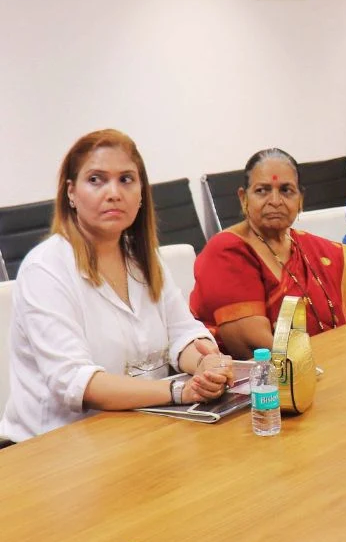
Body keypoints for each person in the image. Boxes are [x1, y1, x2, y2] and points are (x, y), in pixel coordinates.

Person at [0, 130, 231, 442]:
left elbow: (183, 333)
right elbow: (78, 383)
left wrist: (206, 365)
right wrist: (178, 390)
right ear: (71, 192)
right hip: (55, 449)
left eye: (126, 179)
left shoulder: (143, 257)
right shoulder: (46, 268)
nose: (114, 192)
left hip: (141, 429)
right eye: (96, 180)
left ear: (140, 193)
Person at [190, 149, 346, 359]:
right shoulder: (227, 251)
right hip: (268, 381)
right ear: (244, 197)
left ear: (300, 198)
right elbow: (251, 344)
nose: (275, 200)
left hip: (330, 362)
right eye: (262, 190)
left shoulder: (315, 249)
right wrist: (318, 362)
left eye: (286, 190)